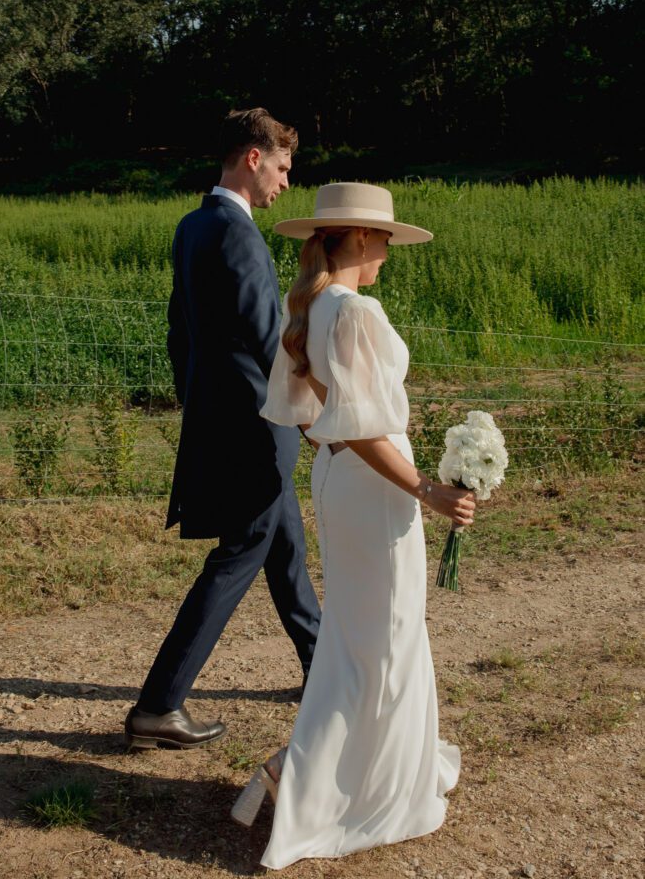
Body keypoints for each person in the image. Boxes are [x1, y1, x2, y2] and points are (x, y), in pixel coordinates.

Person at [231, 182, 476, 868]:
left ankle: (336, 769)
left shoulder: (309, 305)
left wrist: (343, 449)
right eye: (386, 243)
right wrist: (426, 487)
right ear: (362, 239)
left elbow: (308, 416)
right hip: (374, 486)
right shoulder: (354, 309)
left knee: (361, 636)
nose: (388, 256)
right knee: (386, 639)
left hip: (339, 479)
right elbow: (367, 429)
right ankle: (314, 781)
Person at [125, 109, 321, 750]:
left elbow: (178, 331)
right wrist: (315, 412)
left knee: (283, 543)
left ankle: (321, 664)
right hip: (256, 427)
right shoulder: (238, 234)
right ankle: (159, 704)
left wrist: (199, 403)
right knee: (242, 553)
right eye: (285, 168)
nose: (287, 184)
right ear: (254, 158)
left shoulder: (193, 226)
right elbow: (271, 341)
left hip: (227, 421)